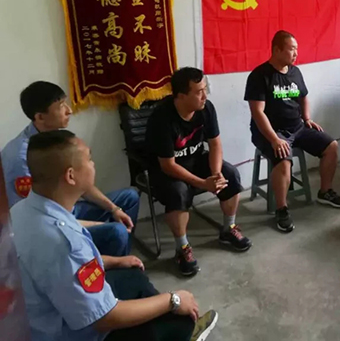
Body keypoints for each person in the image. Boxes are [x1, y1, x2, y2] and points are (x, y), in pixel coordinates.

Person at [10, 130, 218, 341]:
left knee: (132, 275)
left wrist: (115, 261)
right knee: (180, 321)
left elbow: (65, 270)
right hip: (67, 333)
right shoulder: (63, 241)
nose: (93, 165)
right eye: (89, 159)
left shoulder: (23, 210)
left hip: (44, 315)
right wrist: (173, 300)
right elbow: (104, 318)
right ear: (71, 176)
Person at [1, 81, 139, 257]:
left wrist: (114, 209)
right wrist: (99, 225)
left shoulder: (57, 138)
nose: (69, 110)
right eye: (60, 106)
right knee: (116, 231)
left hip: (67, 210)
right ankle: (104, 263)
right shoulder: (22, 157)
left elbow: (81, 183)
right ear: (40, 117)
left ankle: (117, 256)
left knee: (129, 198)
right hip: (50, 225)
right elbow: (36, 218)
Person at [146, 67, 251, 277]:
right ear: (181, 96)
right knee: (178, 192)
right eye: (199, 92)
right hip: (166, 170)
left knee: (230, 175)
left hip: (196, 160)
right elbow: (168, 165)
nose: (205, 96)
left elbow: (215, 144)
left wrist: (216, 174)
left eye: (205, 89)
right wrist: (203, 184)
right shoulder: (161, 117)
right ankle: (182, 248)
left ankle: (228, 229)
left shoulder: (206, 108)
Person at [244, 30, 340, 234]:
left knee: (331, 146)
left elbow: (303, 97)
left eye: (296, 49)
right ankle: (281, 209)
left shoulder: (295, 72)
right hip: (271, 131)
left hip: (297, 127)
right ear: (276, 50)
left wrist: (307, 119)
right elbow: (257, 112)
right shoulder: (259, 75)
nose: (295, 54)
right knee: (284, 160)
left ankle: (325, 191)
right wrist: (274, 139)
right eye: (291, 49)